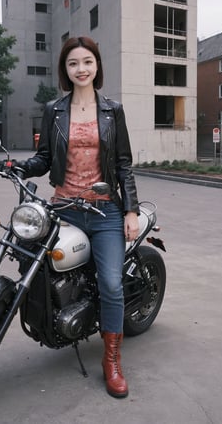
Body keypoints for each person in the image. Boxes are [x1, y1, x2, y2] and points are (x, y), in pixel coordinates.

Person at [15, 36, 140, 398]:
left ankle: (112, 359)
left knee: (112, 284)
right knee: (32, 264)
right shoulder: (54, 108)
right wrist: (21, 167)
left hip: (103, 211)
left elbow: (123, 164)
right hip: (62, 206)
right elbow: (43, 158)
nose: (81, 69)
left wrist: (129, 210)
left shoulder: (112, 110)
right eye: (73, 63)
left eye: (87, 62)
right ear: (65, 70)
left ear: (97, 66)